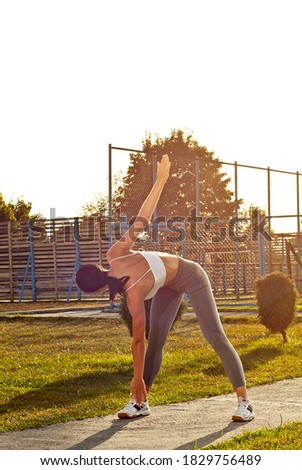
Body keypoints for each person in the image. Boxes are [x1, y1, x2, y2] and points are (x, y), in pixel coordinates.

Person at [76, 155, 255, 422]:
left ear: (96, 290)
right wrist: (159, 179)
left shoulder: (131, 289)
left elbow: (136, 341)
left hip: (191, 275)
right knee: (156, 338)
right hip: (167, 285)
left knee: (215, 335)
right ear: (96, 268)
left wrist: (161, 181)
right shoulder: (114, 255)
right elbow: (143, 219)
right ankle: (141, 402)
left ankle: (245, 403)